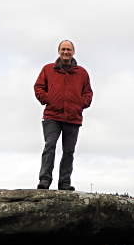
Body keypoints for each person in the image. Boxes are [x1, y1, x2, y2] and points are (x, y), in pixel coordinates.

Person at [33, 40, 93, 190]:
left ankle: (64, 183)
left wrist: (80, 104)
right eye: (63, 49)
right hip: (51, 116)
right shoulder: (47, 69)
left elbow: (88, 93)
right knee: (50, 146)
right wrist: (47, 99)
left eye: (69, 49)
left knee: (69, 152)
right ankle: (45, 180)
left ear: (73, 52)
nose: (66, 52)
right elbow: (38, 87)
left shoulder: (82, 73)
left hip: (73, 118)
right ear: (58, 51)